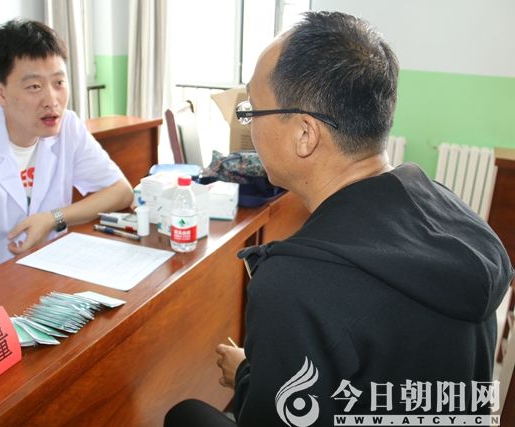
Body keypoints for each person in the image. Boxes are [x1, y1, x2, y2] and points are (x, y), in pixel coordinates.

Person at [165, 11, 512, 427]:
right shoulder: (452, 213)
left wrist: (246, 376)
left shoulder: (293, 285)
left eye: (253, 110)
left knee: (184, 414)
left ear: (305, 134)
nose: (249, 126)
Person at [0, 20, 133, 303]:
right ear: (0, 92)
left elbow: (121, 192)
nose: (51, 100)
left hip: (34, 282)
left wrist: (54, 218)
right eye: (34, 87)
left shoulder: (68, 126)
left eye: (59, 83)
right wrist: (11, 318)